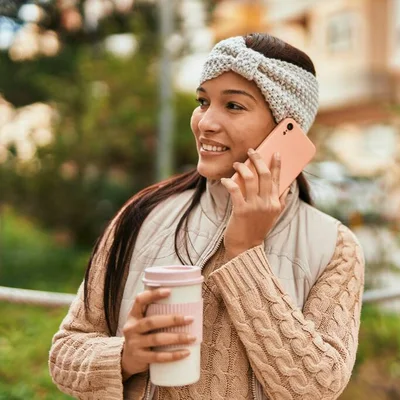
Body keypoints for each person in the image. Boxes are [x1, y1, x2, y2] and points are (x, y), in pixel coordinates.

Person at [48, 33, 365, 400]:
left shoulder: (334, 247)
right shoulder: (142, 215)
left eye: (233, 106)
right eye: (203, 101)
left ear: (285, 130)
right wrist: (123, 356)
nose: (205, 123)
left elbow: (316, 387)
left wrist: (245, 250)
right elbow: (64, 352)